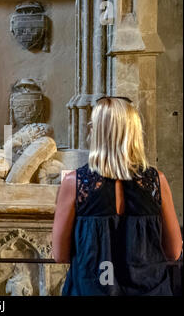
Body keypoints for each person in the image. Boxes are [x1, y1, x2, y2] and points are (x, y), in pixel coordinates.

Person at [53, 97, 182, 296]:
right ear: (134, 133)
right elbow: (174, 251)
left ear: (96, 132)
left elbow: (60, 255)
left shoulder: (75, 183)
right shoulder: (157, 181)